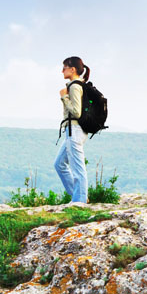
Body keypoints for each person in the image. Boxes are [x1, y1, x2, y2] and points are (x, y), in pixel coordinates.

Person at [55, 56, 89, 203]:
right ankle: (78, 195)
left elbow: (76, 112)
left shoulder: (75, 86)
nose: (62, 70)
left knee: (77, 167)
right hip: (72, 130)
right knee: (59, 164)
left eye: (65, 67)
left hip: (75, 130)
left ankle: (79, 201)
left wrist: (64, 97)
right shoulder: (76, 85)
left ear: (73, 69)